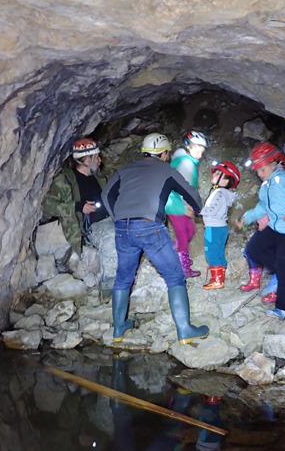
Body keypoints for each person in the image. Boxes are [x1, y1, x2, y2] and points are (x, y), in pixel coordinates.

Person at [101, 133, 209, 345]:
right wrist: (198, 211)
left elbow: (106, 195)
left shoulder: (125, 169)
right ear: (164, 153)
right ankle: (185, 330)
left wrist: (117, 217)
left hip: (123, 228)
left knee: (123, 278)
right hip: (150, 227)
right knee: (175, 276)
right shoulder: (166, 170)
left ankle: (119, 329)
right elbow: (191, 193)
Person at [235, 142, 285, 320]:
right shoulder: (266, 186)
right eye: (257, 171)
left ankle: (281, 308)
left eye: (262, 169)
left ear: (274, 164)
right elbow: (262, 207)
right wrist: (246, 218)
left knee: (282, 266)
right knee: (252, 249)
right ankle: (282, 273)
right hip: (275, 227)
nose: (259, 174)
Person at [42, 138, 117, 297]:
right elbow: (47, 204)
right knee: (112, 236)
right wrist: (78, 206)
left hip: (110, 219)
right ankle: (109, 287)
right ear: (87, 160)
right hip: (90, 227)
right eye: (97, 157)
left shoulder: (99, 178)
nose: (100, 160)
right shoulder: (66, 180)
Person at [165, 131, 210, 278]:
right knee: (183, 236)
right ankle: (184, 268)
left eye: (202, 151)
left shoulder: (182, 159)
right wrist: (185, 207)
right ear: (189, 147)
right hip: (174, 204)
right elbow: (183, 188)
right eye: (198, 150)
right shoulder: (186, 164)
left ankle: (175, 252)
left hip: (176, 202)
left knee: (190, 230)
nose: (200, 154)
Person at [200, 161, 240, 290]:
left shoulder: (219, 193)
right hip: (220, 227)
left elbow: (212, 210)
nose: (214, 175)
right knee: (218, 251)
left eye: (218, 174)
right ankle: (220, 276)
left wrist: (197, 210)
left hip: (213, 228)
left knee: (211, 252)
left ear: (226, 180)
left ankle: (217, 280)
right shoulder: (222, 193)